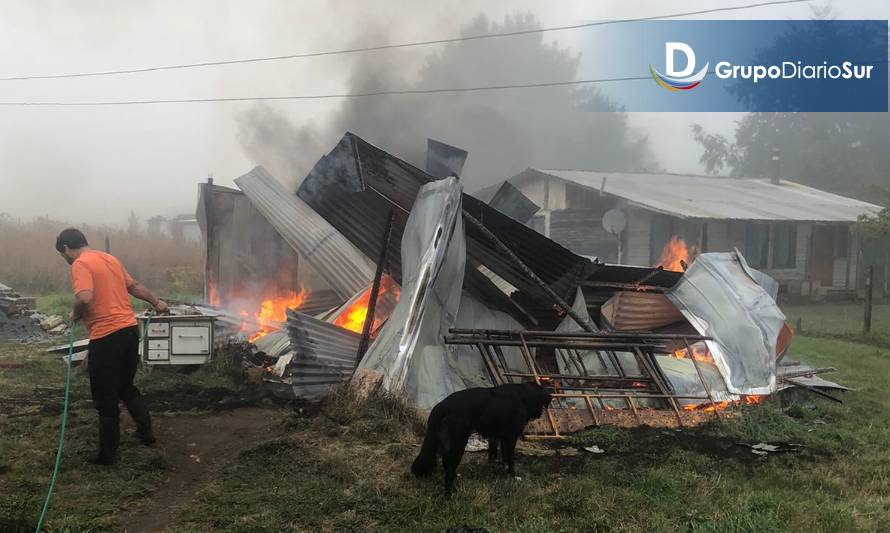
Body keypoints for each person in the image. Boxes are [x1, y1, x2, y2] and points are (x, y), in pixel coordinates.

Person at [55, 228, 168, 465]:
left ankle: (107, 454)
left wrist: (76, 314)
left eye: (63, 254)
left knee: (105, 397)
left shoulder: (80, 264)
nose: (65, 259)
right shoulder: (109, 259)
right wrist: (157, 302)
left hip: (107, 337)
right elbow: (134, 286)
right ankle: (146, 433)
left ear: (66, 248)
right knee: (126, 386)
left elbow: (84, 297)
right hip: (129, 330)